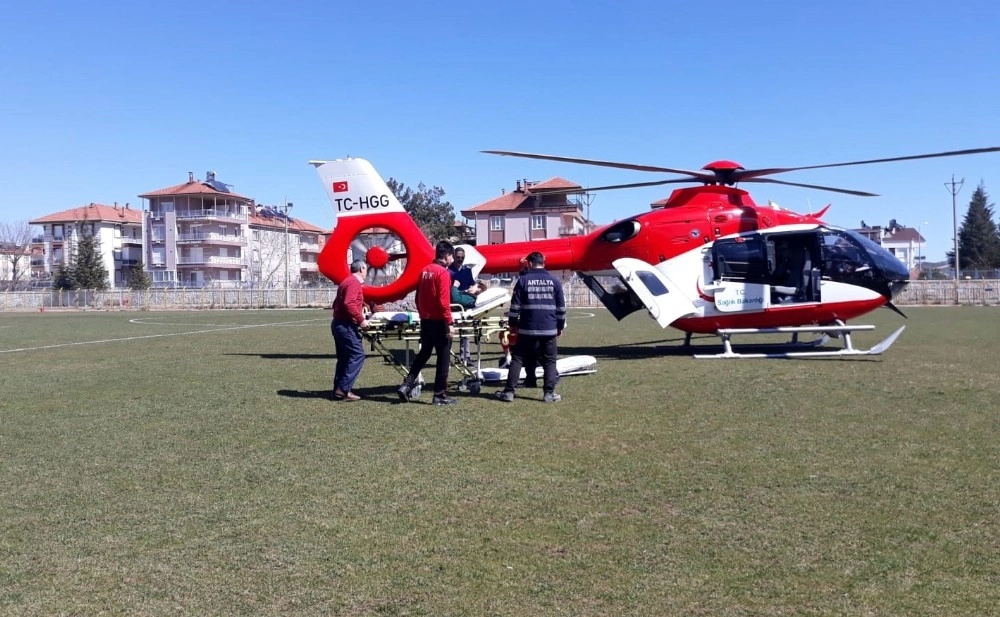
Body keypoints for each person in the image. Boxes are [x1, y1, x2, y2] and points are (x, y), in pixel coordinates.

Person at [495, 251, 566, 403]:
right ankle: (548, 394)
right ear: (543, 263)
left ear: (529, 264)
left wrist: (513, 325)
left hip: (527, 328)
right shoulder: (555, 281)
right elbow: (561, 308)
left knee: (518, 359)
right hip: (549, 328)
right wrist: (559, 326)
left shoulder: (523, 280)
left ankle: (509, 392)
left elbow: (514, 307)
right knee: (550, 361)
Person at [398, 240, 459, 405]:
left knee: (423, 354)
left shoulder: (424, 271)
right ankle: (439, 395)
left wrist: (423, 313)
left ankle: (407, 385)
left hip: (426, 320)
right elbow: (444, 301)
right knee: (443, 358)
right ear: (446, 256)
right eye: (451, 256)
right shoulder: (443, 273)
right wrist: (450, 322)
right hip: (440, 321)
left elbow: (418, 298)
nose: (452, 259)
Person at [331, 259, 370, 401]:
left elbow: (337, 303)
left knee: (344, 358)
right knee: (358, 355)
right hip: (346, 325)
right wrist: (361, 320)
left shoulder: (346, 282)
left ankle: (338, 389)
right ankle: (344, 389)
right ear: (361, 269)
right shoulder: (354, 283)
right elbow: (349, 302)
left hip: (338, 323)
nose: (366, 272)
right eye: (366, 269)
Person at [448, 247, 482, 364]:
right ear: (453, 256)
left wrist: (474, 290)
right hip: (453, 304)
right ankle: (448, 357)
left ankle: (465, 357)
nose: (460, 259)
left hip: (465, 305)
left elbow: (472, 285)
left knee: (466, 332)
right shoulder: (449, 271)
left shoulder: (467, 271)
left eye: (462, 257)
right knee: (451, 332)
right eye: (458, 257)